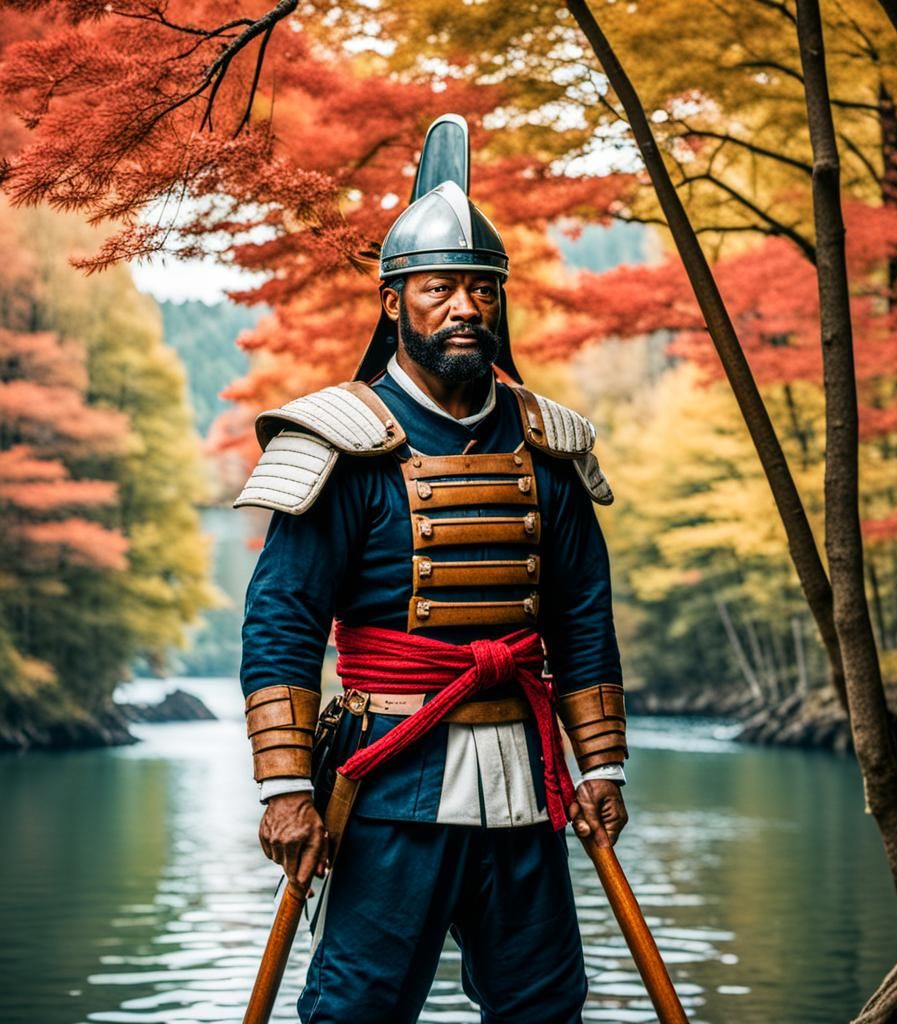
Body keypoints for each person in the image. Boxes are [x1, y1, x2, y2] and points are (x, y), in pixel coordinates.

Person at [236, 114, 629, 1024]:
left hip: (531, 783)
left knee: (545, 1008)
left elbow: (583, 619)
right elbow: (283, 621)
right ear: (393, 303)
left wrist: (602, 766)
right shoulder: (339, 445)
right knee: (356, 1011)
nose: (463, 307)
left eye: (481, 289)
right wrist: (287, 788)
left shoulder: (548, 445)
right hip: (387, 784)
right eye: (439, 287)